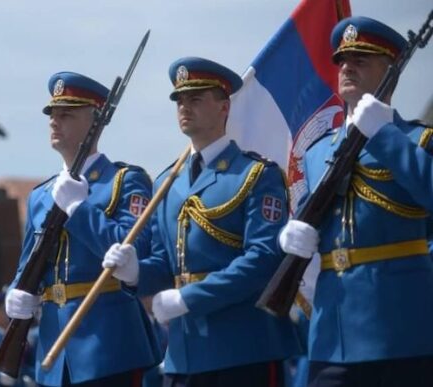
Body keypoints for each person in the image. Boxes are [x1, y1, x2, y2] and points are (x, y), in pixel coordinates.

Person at [103, 57, 301, 387]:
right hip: (185, 353)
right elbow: (167, 261)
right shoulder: (168, 182)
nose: (184, 107)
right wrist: (136, 272)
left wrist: (187, 299)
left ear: (224, 106)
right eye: (180, 100)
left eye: (196, 98)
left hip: (242, 349)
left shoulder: (255, 175)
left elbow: (263, 259)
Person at [277, 16, 433, 386]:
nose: (346, 67)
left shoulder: (416, 141)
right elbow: (312, 219)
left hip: (399, 331)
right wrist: (289, 235)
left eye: (361, 59)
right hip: (332, 334)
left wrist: (384, 135)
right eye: (342, 61)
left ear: (390, 70)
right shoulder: (316, 154)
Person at [4, 71, 161, 386]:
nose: (54, 121)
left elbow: (133, 249)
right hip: (54, 353)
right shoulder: (40, 196)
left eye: (66, 114)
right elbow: (28, 268)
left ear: (95, 122)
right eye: (52, 114)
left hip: (108, 347)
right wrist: (16, 294)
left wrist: (78, 209)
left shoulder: (124, 181)